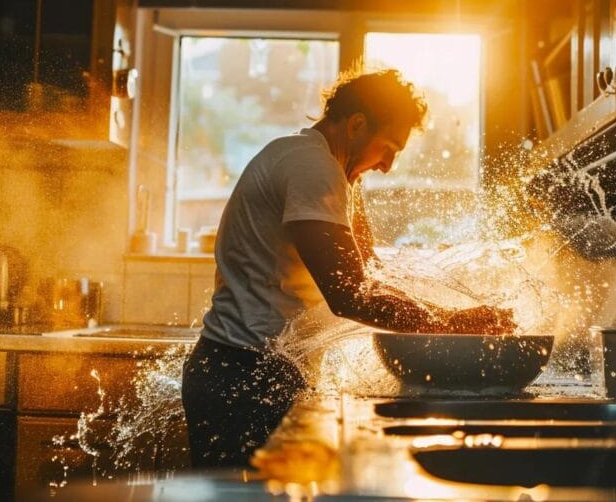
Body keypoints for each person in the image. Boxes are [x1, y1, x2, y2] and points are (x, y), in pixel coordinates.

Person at [181, 68, 515, 468]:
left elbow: (369, 268)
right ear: (357, 124)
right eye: (389, 147)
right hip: (241, 378)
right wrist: (456, 322)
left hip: (258, 370)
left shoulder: (335, 172)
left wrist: (448, 289)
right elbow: (351, 294)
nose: (388, 165)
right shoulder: (311, 167)